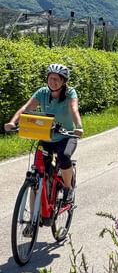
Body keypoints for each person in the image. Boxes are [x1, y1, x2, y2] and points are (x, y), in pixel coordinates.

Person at [4, 63, 83, 205]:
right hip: (47, 136)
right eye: (50, 78)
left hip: (67, 136)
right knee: (38, 172)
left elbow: (73, 109)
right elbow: (26, 108)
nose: (53, 82)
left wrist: (78, 127)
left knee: (64, 156)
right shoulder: (42, 93)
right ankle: (32, 221)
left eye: (57, 79)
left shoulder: (70, 93)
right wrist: (13, 122)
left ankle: (67, 188)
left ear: (64, 81)